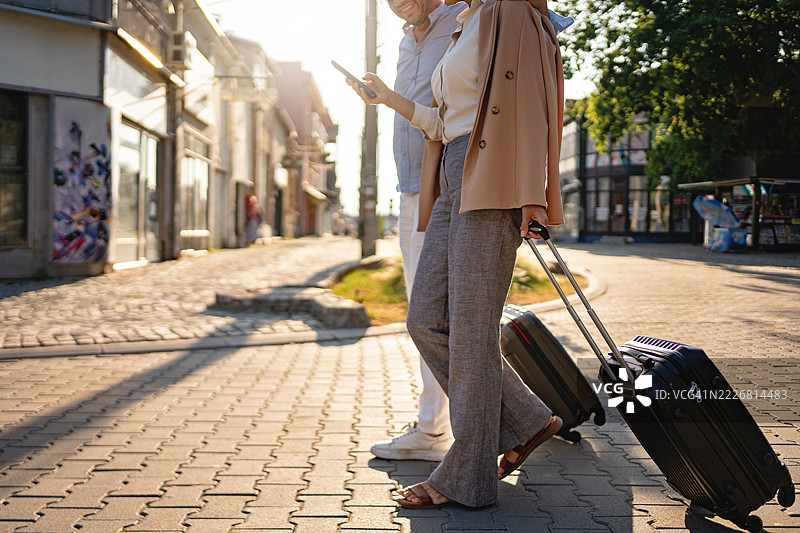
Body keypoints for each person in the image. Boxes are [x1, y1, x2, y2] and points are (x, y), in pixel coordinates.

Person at [348, 0, 573, 509]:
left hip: (492, 175)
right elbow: (443, 122)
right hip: (452, 169)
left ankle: (466, 478)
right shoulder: (466, 23)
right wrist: (389, 99)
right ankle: (530, 421)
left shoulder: (510, 10)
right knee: (425, 317)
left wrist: (532, 196)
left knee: (472, 334)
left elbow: (533, 102)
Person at [369, 0, 462, 464]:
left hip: (442, 184)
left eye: (405, 1)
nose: (397, 9)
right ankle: (436, 424)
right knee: (424, 309)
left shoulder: (463, 20)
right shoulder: (408, 38)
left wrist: (389, 98)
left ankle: (434, 429)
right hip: (410, 186)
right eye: (391, 4)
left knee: (429, 315)